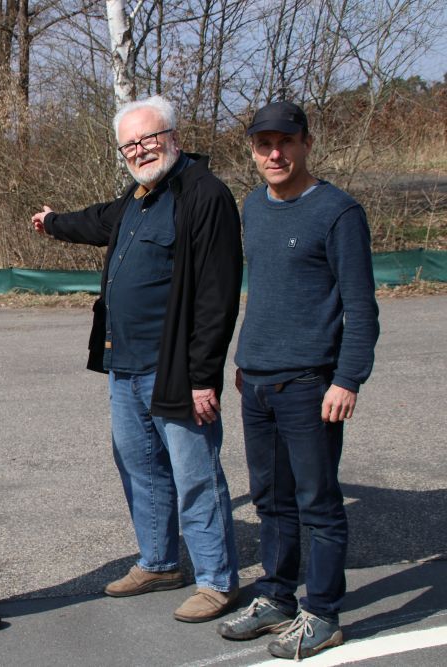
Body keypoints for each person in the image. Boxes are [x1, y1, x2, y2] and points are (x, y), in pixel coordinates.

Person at [32, 95, 243, 623]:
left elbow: (217, 294)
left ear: (173, 135)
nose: (139, 150)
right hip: (124, 366)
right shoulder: (138, 196)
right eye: (129, 144)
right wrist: (53, 221)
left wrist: (202, 376)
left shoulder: (203, 195)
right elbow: (97, 221)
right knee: (140, 468)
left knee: (195, 474)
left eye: (148, 138)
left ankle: (217, 580)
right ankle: (159, 562)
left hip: (174, 369)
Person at [217, 101, 380, 660]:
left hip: (311, 385)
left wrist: (348, 379)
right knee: (270, 499)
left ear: (307, 143)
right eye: (263, 144)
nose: (274, 153)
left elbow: (362, 307)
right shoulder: (253, 207)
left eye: (285, 142)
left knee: (318, 502)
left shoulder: (338, 212)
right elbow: (265, 290)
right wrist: (247, 359)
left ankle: (324, 613)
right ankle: (277, 598)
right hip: (257, 380)